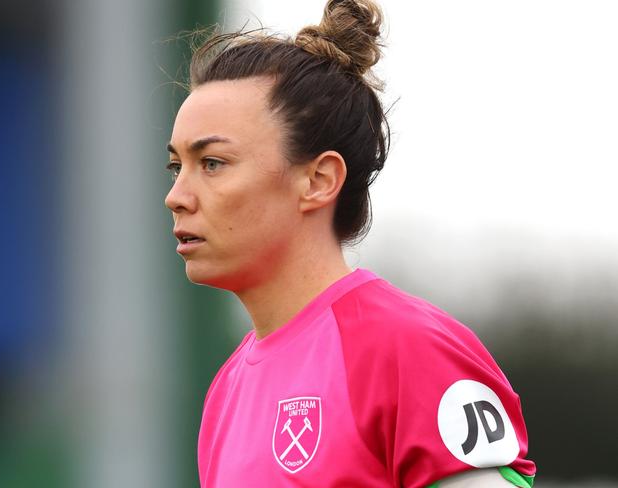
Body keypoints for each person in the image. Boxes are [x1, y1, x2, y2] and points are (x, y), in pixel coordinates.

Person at [164, 0, 536, 486]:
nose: (176, 197)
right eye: (177, 167)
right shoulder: (226, 391)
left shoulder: (408, 349)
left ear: (318, 181)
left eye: (212, 163)